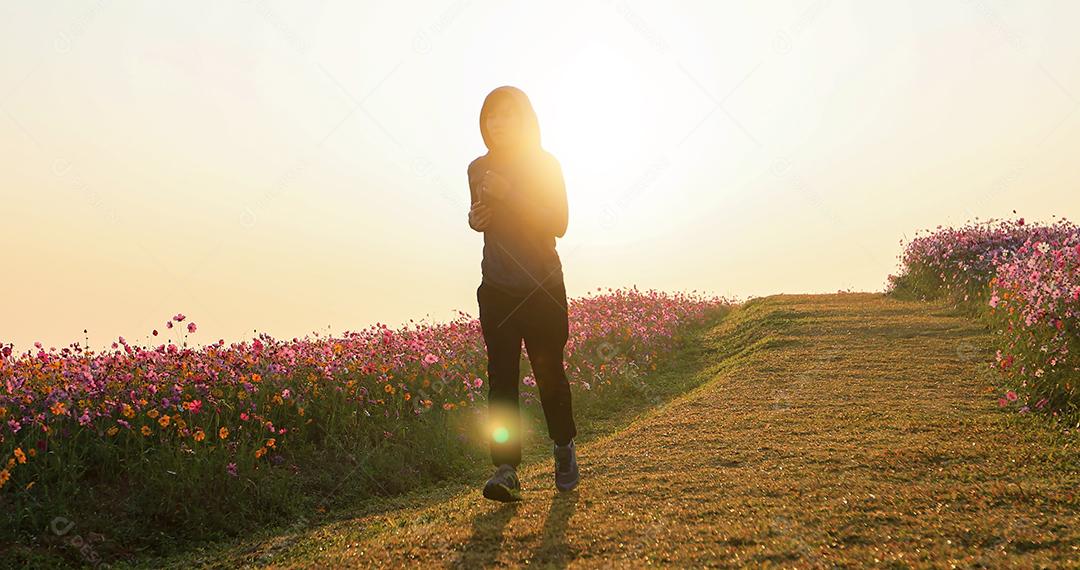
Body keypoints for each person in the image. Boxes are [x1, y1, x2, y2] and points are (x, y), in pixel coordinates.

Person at [467, 85, 579, 502]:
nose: (497, 123)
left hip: (542, 287)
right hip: (497, 288)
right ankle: (506, 468)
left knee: (550, 375)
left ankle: (563, 447)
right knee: (501, 379)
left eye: (506, 115)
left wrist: (510, 194)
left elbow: (559, 222)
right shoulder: (478, 168)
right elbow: (485, 218)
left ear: (525, 120)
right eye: (490, 116)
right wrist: (476, 218)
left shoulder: (544, 164)